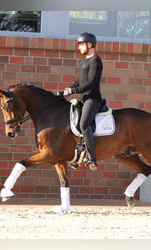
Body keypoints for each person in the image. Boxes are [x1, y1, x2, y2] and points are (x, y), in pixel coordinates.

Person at [63, 32, 103, 170]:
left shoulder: (95, 61)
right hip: (82, 99)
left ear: (90, 45)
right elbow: (78, 82)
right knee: (71, 121)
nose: (79, 47)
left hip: (92, 99)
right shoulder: (84, 61)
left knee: (84, 124)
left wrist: (73, 91)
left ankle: (91, 158)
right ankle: (77, 154)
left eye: (81, 44)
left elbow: (90, 84)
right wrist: (67, 90)